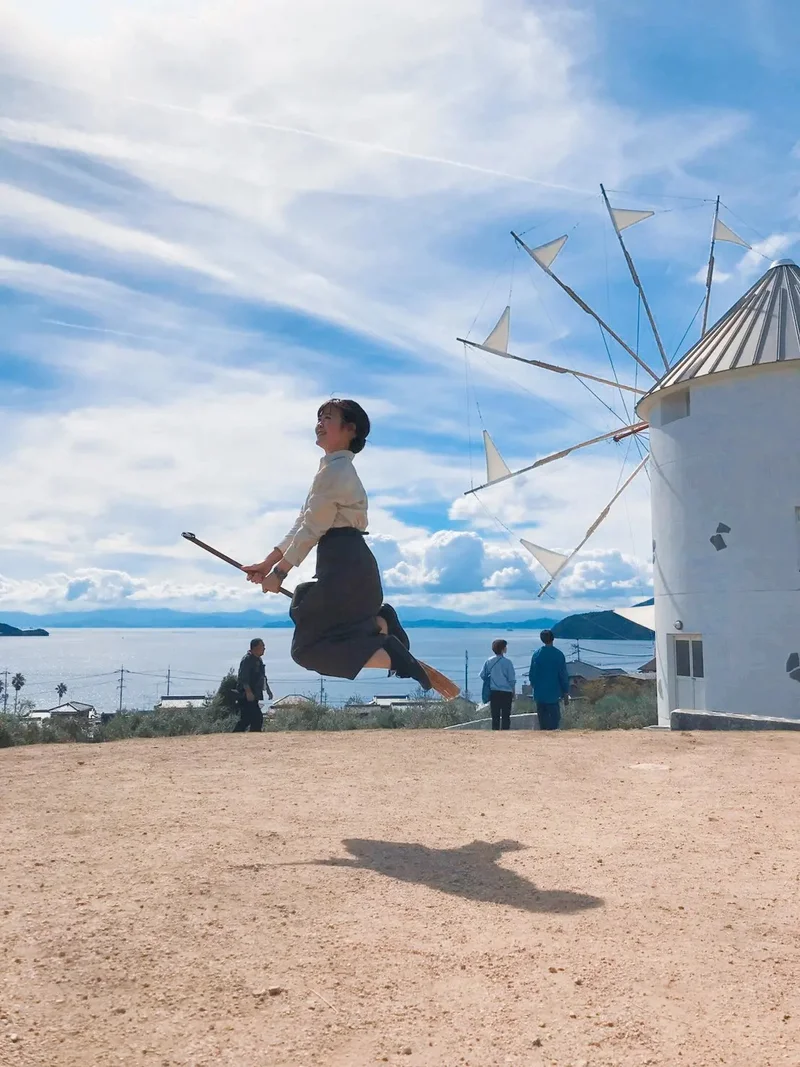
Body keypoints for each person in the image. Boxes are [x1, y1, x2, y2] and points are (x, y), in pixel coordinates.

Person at [243, 400, 455, 697]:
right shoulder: (331, 470)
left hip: (344, 567)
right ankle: (380, 623)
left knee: (307, 650)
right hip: (349, 566)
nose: (319, 423)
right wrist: (268, 563)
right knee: (306, 603)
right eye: (318, 417)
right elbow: (302, 524)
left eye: (327, 417)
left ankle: (393, 653)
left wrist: (279, 573)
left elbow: (311, 529)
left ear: (350, 429)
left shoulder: (334, 473)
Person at [528, 629, 570, 731]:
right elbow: (563, 675)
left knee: (543, 723)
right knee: (554, 723)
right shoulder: (559, 654)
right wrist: (565, 692)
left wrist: (534, 686)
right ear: (553, 639)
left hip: (540, 694)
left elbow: (532, 674)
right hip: (554, 694)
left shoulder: (537, 655)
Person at [234, 637, 273, 733]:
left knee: (250, 719)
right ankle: (235, 736)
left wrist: (268, 690)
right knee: (255, 718)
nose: (264, 648)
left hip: (254, 694)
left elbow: (262, 677)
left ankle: (251, 737)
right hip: (246, 695)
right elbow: (243, 677)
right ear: (255, 647)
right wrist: (248, 692)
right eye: (262, 646)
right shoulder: (247, 659)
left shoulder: (258, 660)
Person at [480, 639, 516, 731]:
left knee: (495, 716)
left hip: (494, 692)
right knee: (506, 716)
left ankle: (495, 736)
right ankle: (505, 735)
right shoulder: (508, 662)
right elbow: (511, 680)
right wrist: (513, 692)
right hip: (506, 692)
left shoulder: (489, 661)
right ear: (503, 649)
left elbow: (483, 675)